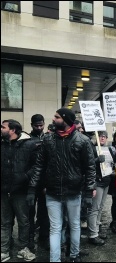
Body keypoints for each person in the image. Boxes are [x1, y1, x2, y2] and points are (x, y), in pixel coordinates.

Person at [27, 108, 96, 262]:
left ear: (66, 120)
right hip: (52, 193)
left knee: (75, 225)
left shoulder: (82, 140)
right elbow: (39, 166)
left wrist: (88, 191)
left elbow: (90, 168)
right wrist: (32, 188)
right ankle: (55, 259)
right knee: (55, 228)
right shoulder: (48, 140)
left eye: (57, 117)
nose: (53, 119)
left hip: (74, 192)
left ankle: (74, 254)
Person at [1, 119, 37, 262]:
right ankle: (4, 250)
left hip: (21, 191)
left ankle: (23, 249)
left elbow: (36, 166)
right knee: (4, 222)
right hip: (3, 191)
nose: (1, 129)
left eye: (3, 127)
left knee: (24, 221)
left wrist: (24, 177)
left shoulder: (30, 145)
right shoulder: (2, 144)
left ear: (13, 130)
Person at [87, 131, 116, 245]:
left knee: (101, 207)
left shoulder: (108, 149)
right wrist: (96, 160)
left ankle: (97, 230)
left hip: (106, 181)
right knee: (95, 208)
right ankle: (92, 234)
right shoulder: (92, 149)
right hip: (97, 181)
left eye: (104, 136)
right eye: (100, 136)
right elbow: (88, 165)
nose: (102, 138)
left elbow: (111, 163)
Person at [29, 114, 50, 250]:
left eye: (41, 125)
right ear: (32, 125)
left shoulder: (48, 138)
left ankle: (44, 237)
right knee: (29, 212)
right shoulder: (26, 139)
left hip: (44, 181)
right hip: (30, 181)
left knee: (44, 212)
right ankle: (29, 238)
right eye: (36, 125)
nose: (39, 127)